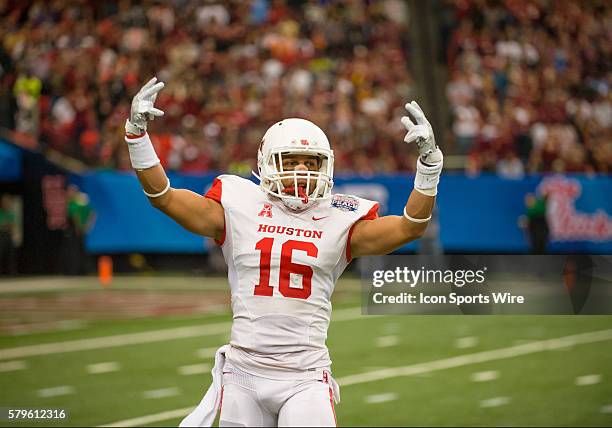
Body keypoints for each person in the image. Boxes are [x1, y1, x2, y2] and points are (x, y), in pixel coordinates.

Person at [124, 77, 443, 427]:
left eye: (311, 162)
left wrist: (428, 166)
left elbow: (411, 225)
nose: (303, 171)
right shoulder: (239, 203)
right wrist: (137, 136)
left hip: (305, 375)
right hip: (243, 372)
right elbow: (164, 196)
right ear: (266, 162)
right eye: (291, 161)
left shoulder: (340, 218)